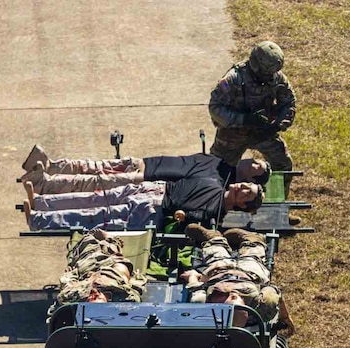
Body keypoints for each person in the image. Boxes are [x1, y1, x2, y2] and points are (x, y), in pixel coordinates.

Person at [208, 40, 298, 221]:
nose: (270, 77)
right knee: (216, 171)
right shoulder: (233, 79)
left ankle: (276, 212)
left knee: (282, 166)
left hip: (262, 132)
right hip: (232, 134)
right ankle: (216, 213)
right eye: (266, 73)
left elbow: (288, 103)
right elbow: (215, 107)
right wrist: (243, 119)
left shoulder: (277, 78)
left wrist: (276, 125)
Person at [180, 223, 295, 332]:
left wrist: (193, 276)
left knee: (215, 253)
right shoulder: (263, 306)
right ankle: (251, 238)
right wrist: (285, 317)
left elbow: (195, 288)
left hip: (220, 272)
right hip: (250, 274)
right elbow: (276, 292)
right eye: (235, 299)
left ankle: (214, 238)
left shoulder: (205, 303)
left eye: (226, 300)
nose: (233, 294)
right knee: (253, 254)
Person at [23, 179, 263, 231]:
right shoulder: (215, 182)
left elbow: (185, 220)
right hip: (151, 189)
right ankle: (42, 202)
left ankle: (38, 220)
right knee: (94, 197)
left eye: (246, 192)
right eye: (245, 184)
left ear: (242, 205)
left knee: (92, 216)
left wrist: (183, 215)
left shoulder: (214, 214)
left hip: (150, 210)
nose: (241, 187)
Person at [19, 147, 270, 195]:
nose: (251, 161)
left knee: (90, 181)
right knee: (91, 167)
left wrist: (143, 179)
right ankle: (48, 167)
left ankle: (44, 183)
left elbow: (178, 183)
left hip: (144, 177)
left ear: (251, 178)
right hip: (144, 163)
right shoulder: (220, 162)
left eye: (255, 166)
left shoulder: (217, 181)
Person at [53, 228, 148, 310]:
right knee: (115, 258)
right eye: (98, 298)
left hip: (88, 273)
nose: (95, 295)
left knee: (87, 249)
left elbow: (66, 287)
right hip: (112, 272)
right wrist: (135, 279)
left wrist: (71, 275)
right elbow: (135, 292)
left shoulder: (76, 297)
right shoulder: (123, 298)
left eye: (91, 299)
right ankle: (112, 241)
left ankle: (92, 238)